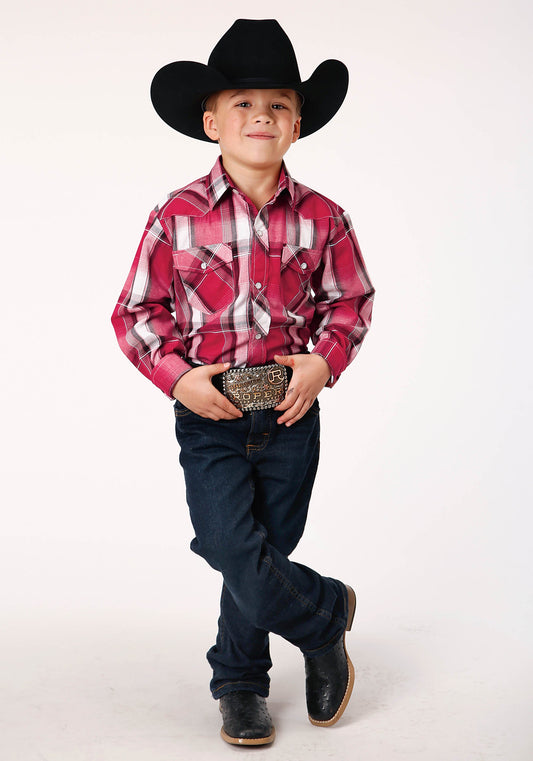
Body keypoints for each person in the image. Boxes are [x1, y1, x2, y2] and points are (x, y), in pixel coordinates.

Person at [111, 18, 374, 746]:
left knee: (261, 555)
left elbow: (350, 302)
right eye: (242, 103)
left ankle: (238, 682)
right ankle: (323, 615)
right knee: (230, 543)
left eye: (279, 104)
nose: (261, 115)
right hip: (212, 411)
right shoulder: (176, 215)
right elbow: (136, 312)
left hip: (288, 412)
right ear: (210, 121)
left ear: (297, 123)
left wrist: (323, 361)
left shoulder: (324, 217)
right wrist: (178, 378)